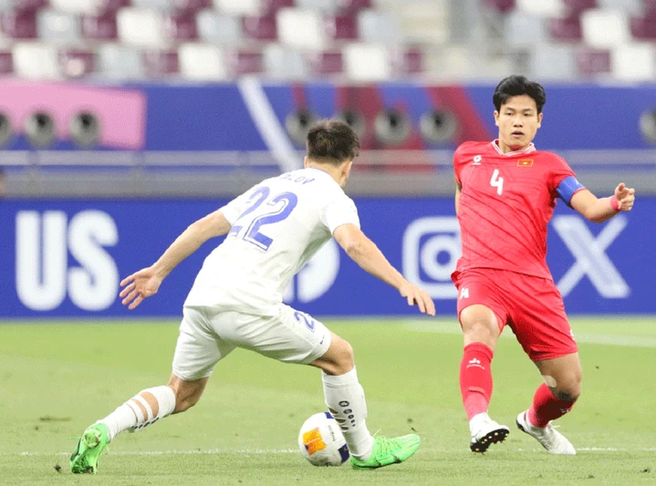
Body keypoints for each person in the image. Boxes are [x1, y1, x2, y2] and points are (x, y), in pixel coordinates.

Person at [70, 120, 436, 474]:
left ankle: (105, 428)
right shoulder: (333, 195)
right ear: (348, 166)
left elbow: (201, 228)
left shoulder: (271, 186)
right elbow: (354, 243)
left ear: (306, 159)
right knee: (340, 356)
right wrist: (402, 282)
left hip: (203, 297)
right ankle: (365, 451)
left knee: (181, 392)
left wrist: (159, 271)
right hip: (248, 303)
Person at [452, 76, 635, 455]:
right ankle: (478, 420)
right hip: (481, 274)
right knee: (479, 329)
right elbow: (461, 195)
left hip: (533, 284)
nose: (518, 121)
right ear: (496, 117)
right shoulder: (467, 155)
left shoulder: (549, 166)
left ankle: (535, 422)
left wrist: (614, 202)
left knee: (567, 387)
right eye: (510, 113)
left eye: (527, 114)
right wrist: (474, 244)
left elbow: (590, 208)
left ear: (539, 121)